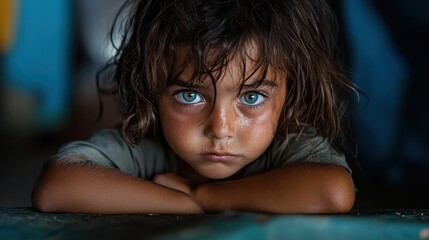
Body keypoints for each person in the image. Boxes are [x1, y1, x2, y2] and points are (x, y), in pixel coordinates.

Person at [31, 0, 356, 214]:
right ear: (151, 90)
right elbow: (54, 188)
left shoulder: (290, 142)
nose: (220, 129)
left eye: (252, 98)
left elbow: (334, 192)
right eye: (190, 96)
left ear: (291, 95)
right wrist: (179, 202)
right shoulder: (144, 145)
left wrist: (202, 197)